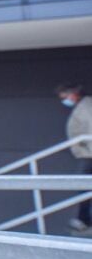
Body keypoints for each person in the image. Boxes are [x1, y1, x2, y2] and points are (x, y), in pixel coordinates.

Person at [57, 82, 92, 232]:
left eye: (65, 97)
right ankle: (83, 219)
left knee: (83, 187)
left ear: (74, 94)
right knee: (84, 187)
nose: (64, 100)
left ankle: (83, 219)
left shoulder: (86, 107)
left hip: (89, 154)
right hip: (86, 153)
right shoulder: (83, 106)